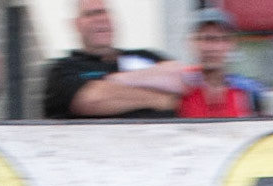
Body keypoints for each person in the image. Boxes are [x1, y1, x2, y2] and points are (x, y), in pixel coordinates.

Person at [44, 0, 186, 118]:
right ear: (76, 24)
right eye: (91, 14)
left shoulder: (143, 56)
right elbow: (93, 100)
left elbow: (181, 77)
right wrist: (160, 99)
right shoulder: (63, 69)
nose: (100, 19)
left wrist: (117, 80)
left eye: (104, 12)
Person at [176, 7, 265, 118]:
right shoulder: (180, 86)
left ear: (231, 44)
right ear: (192, 43)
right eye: (205, 39)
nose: (211, 48)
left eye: (220, 39)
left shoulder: (248, 91)